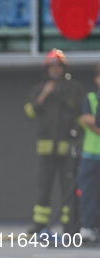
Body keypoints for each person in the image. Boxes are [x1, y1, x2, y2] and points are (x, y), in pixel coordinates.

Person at [23, 49, 84, 235]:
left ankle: (70, 225)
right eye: (52, 66)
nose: (55, 70)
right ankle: (40, 225)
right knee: (44, 187)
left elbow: (82, 115)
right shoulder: (41, 88)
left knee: (68, 188)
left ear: (63, 68)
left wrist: (76, 133)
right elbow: (29, 112)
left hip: (67, 147)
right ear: (47, 69)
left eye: (58, 66)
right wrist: (44, 95)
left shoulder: (74, 88)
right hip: (46, 148)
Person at [77, 64, 100, 242]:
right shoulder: (91, 98)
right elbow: (86, 119)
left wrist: (93, 122)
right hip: (90, 153)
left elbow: (92, 121)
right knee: (88, 192)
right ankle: (88, 227)